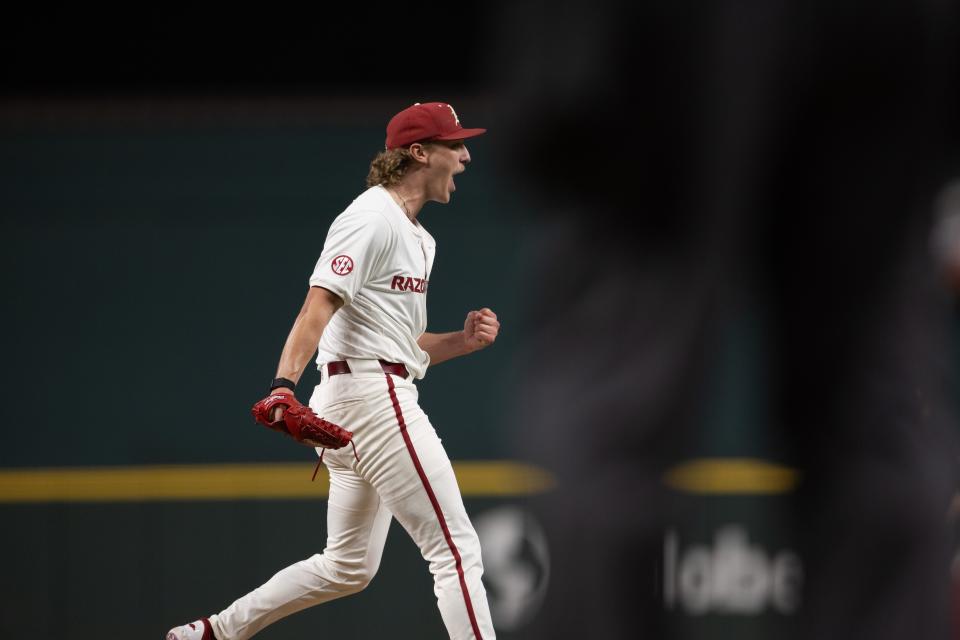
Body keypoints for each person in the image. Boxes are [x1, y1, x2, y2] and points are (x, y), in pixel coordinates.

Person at [166, 101, 500, 640]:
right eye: (454, 144)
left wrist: (460, 342)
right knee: (455, 549)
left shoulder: (418, 237)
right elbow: (317, 305)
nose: (464, 155)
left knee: (347, 567)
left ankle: (211, 633)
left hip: (362, 393)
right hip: (372, 399)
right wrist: (282, 386)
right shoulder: (372, 217)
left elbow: (402, 345)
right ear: (418, 152)